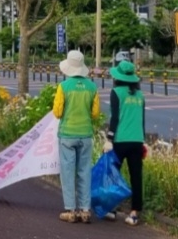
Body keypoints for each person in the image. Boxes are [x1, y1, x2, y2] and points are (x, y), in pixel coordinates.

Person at [52, 49, 99, 223]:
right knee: (84, 171)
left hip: (67, 134)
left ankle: (71, 210)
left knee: (67, 172)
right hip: (86, 134)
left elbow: (57, 112)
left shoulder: (64, 87)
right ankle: (86, 210)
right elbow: (95, 113)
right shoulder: (92, 87)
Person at [106, 59, 146, 226]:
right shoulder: (140, 95)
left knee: (114, 174)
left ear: (117, 77)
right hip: (137, 140)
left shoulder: (116, 93)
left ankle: (112, 209)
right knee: (136, 177)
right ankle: (134, 213)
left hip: (120, 139)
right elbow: (142, 120)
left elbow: (115, 118)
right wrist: (143, 140)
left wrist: (109, 138)